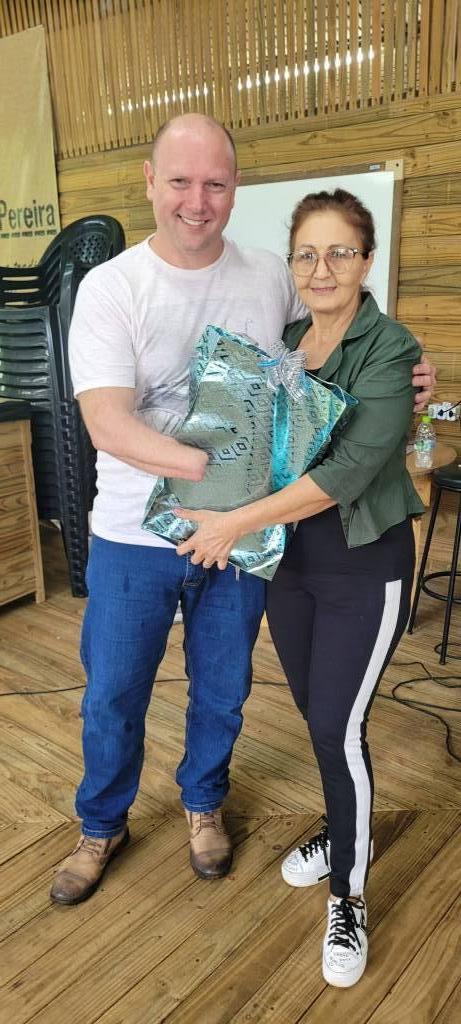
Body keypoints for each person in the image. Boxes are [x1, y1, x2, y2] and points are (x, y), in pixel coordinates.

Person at [50, 113, 433, 909]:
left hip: (246, 538)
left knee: (223, 687)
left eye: (215, 184)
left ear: (234, 190)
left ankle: (203, 805)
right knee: (113, 692)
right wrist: (221, 475)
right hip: (134, 536)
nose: (197, 200)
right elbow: (107, 424)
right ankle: (100, 825)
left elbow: (323, 349)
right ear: (150, 184)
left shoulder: (267, 275)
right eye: (180, 181)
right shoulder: (112, 286)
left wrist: (405, 377)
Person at [174, 187, 426, 988]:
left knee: (339, 728)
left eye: (339, 252)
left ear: (366, 260)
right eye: (306, 254)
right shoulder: (285, 346)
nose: (322, 269)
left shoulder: (390, 349)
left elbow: (345, 472)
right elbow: (260, 441)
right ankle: (345, 829)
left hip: (363, 565)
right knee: (318, 719)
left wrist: (232, 522)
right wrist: (207, 502)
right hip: (292, 566)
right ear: (292, 264)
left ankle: (347, 892)